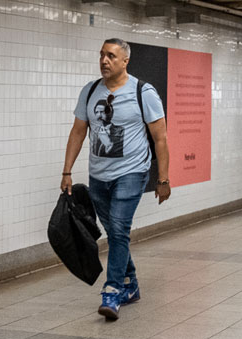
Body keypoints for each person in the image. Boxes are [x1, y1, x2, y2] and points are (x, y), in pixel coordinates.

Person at [61, 38, 171, 320]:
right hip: (99, 176)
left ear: (125, 61)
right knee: (115, 234)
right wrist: (67, 171)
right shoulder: (89, 92)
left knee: (120, 230)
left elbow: (160, 138)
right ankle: (130, 284)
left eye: (111, 56)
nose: (104, 61)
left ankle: (112, 290)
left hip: (132, 173)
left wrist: (163, 179)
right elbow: (77, 132)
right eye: (101, 55)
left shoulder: (142, 92)